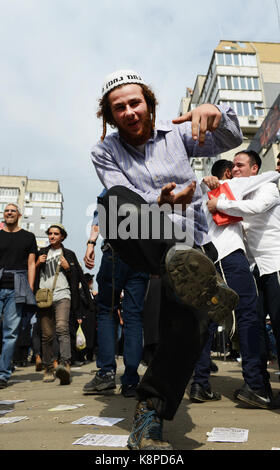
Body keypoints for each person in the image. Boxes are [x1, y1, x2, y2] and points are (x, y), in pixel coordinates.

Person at [89, 69, 242, 450]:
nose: (129, 112)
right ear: (109, 117)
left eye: (135, 103)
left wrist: (216, 114)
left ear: (150, 106)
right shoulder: (104, 151)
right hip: (143, 233)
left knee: (188, 328)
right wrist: (158, 203)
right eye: (119, 108)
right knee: (111, 204)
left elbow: (232, 139)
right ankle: (188, 272)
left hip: (192, 242)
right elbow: (121, 194)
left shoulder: (176, 134)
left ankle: (151, 412)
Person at [190, 159, 277, 408]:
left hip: (205, 257)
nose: (237, 171)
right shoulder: (232, 185)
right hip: (228, 256)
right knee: (248, 315)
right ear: (228, 172)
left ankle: (200, 383)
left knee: (207, 320)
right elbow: (269, 176)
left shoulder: (200, 191)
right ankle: (256, 385)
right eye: (235, 166)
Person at [83, 190, 149, 398]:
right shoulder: (149, 181)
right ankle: (130, 380)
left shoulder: (113, 180)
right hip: (141, 257)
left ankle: (106, 373)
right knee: (133, 318)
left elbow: (100, 215)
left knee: (106, 312)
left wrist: (91, 243)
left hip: (116, 252)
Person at [35, 223, 91, 385]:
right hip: (44, 297)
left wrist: (68, 268)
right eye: (50, 234)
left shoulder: (68, 254)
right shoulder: (42, 253)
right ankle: (48, 368)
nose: (52, 236)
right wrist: (38, 263)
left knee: (62, 328)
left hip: (63, 295)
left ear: (62, 237)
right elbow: (31, 271)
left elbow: (78, 277)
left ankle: (65, 365)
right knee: (46, 335)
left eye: (56, 234)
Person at [0, 203, 37, 389]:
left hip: (17, 287)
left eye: (12, 211)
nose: (9, 213)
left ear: (19, 215)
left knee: (11, 332)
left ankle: (3, 374)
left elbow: (31, 264)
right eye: (6, 211)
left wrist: (29, 289)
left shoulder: (28, 237)